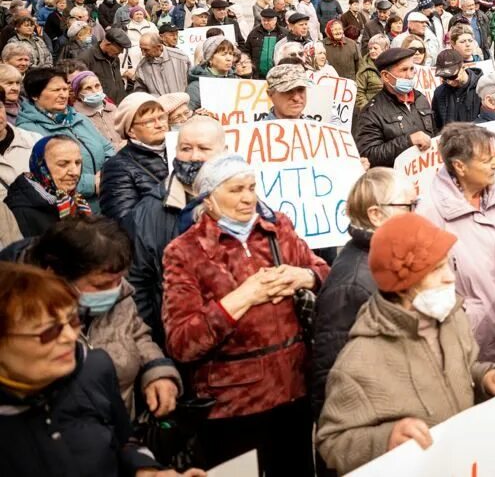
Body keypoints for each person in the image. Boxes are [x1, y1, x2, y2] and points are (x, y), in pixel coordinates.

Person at [315, 211, 495, 473]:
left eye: (447, 265)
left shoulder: (451, 319)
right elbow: (332, 442)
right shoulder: (358, 363)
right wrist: (385, 440)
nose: (450, 277)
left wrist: (486, 379)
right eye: (436, 270)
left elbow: (461, 372)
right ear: (403, 285)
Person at [162, 153, 329, 476]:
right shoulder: (184, 252)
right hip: (233, 408)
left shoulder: (277, 227)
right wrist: (241, 299)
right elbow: (182, 341)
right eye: (236, 189)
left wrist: (304, 277)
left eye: (252, 187)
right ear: (208, 200)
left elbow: (322, 271)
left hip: (294, 393)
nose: (248, 198)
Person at [0, 263, 196, 476]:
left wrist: (147, 470)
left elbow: (124, 441)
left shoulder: (92, 369)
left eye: (73, 320)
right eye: (49, 332)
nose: (70, 337)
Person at [22, 216, 182, 418]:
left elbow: (137, 335)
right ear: (55, 275)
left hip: (120, 428)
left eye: (119, 280)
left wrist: (157, 372)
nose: (114, 290)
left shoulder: (120, 295)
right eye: (100, 286)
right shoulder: (21, 321)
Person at [310, 167, 419, 419]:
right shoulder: (351, 283)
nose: (416, 215)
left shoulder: (390, 258)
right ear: (376, 214)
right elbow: (331, 376)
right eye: (408, 206)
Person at [417, 123, 495, 364]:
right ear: (459, 166)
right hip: (471, 350)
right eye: (487, 160)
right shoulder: (430, 213)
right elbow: (428, 292)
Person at [128, 115, 225, 345]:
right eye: (186, 148)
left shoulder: (246, 202)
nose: (194, 156)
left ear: (224, 152)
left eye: (204, 148)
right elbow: (138, 284)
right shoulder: (148, 212)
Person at [17, 68, 114, 203]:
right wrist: (92, 183)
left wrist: (108, 174)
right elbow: (44, 175)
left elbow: (107, 148)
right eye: (56, 90)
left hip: (107, 194)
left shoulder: (78, 118)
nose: (63, 95)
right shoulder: (28, 130)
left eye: (65, 89)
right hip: (70, 207)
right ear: (35, 95)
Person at [98, 93, 170, 232]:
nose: (159, 124)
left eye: (161, 117)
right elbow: (124, 223)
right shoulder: (117, 167)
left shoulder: (181, 150)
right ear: (131, 131)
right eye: (149, 121)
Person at [353, 47, 435, 167]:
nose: (410, 75)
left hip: (424, 175)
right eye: (404, 70)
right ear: (386, 76)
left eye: (412, 69)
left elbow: (434, 131)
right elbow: (368, 154)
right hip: (394, 180)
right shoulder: (372, 111)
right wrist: (408, 141)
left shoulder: (420, 98)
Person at [69, 69, 125, 151]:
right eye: (88, 88)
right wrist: (119, 148)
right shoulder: (77, 117)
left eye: (97, 85)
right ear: (78, 94)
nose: (95, 91)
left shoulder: (113, 109)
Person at [184, 37, 238, 111]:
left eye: (231, 54)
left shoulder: (238, 81)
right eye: (224, 54)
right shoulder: (196, 87)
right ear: (210, 59)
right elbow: (186, 115)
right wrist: (197, 115)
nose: (229, 58)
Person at [135, 33, 190, 97]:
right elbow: (140, 91)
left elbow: (191, 82)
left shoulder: (181, 58)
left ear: (159, 47)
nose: (143, 53)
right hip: (158, 105)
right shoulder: (142, 67)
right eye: (141, 49)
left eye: (146, 50)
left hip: (181, 104)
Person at [246, 9, 286, 78]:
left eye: (269, 20)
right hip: (257, 75)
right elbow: (246, 50)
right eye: (264, 20)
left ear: (275, 20)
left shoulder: (284, 33)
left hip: (278, 74)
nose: (266, 23)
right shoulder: (254, 33)